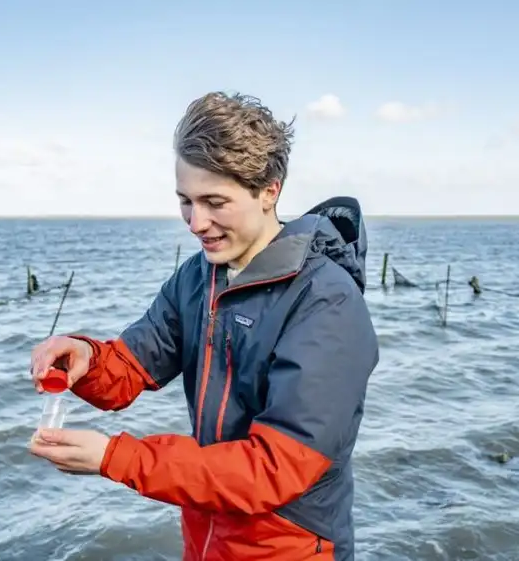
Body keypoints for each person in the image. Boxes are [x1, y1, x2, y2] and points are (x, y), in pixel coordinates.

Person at [28, 91, 379, 561]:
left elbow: (274, 469)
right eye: (185, 201)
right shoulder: (200, 276)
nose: (196, 223)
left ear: (269, 190)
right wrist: (86, 358)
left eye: (215, 202)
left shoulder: (327, 300)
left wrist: (115, 458)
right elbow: (132, 364)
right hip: (207, 526)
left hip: (289, 542)